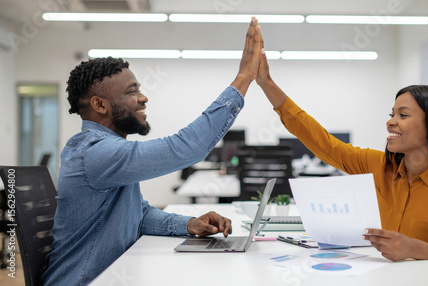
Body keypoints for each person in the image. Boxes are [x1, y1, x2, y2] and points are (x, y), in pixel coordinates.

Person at [41, 18, 262, 285]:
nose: (143, 98)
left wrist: (189, 224)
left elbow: (139, 214)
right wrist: (244, 78)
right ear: (100, 104)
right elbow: (186, 147)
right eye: (132, 92)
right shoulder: (94, 153)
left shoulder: (107, 150)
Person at [255, 43, 428, 278]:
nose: (390, 122)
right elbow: (324, 144)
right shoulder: (377, 166)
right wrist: (267, 84)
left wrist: (417, 249)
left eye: (403, 115)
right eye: (392, 114)